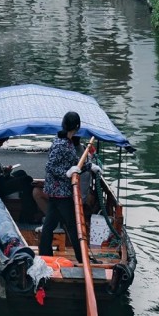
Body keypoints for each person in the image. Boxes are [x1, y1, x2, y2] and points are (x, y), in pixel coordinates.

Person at [38, 111, 102, 262]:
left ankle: (45, 255)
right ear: (77, 127)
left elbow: (75, 164)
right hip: (60, 192)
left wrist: (90, 166)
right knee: (74, 226)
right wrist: (66, 173)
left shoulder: (66, 141)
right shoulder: (60, 144)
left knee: (49, 224)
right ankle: (82, 259)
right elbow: (51, 167)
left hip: (59, 192)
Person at [0, 137, 42, 223]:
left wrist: (5, 171)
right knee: (27, 180)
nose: (2, 144)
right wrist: (6, 174)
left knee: (21, 173)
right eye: (1, 142)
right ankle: (27, 216)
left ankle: (25, 197)